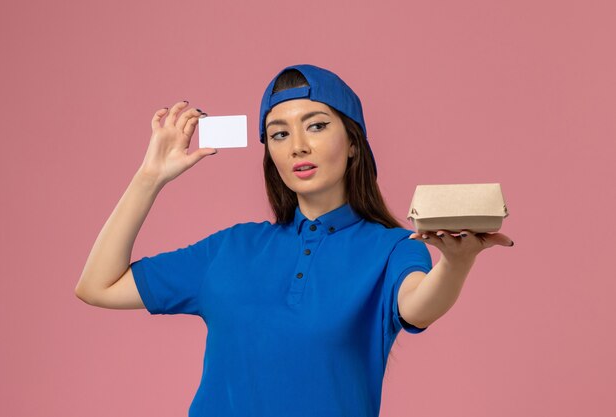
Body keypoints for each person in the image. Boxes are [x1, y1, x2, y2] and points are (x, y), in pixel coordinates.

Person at [75, 64, 514, 417]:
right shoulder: (231, 249)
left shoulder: (392, 249)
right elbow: (97, 285)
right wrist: (149, 178)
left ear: (354, 143)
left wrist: (456, 264)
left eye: (317, 126)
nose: (298, 146)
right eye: (280, 134)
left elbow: (417, 305)